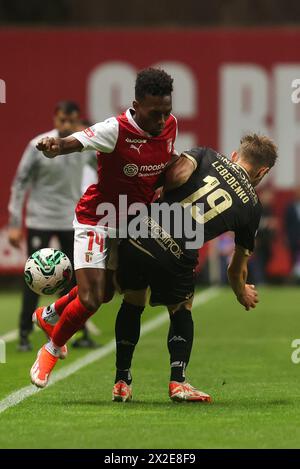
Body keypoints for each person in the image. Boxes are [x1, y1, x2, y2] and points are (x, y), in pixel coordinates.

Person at [29, 68, 178, 388]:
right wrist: (55, 145)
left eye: (167, 111)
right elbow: (76, 141)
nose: (162, 120)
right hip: (96, 221)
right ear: (136, 105)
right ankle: (51, 349)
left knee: (108, 292)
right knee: (92, 299)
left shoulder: (170, 126)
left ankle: (50, 313)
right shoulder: (116, 129)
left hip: (130, 225)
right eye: (155, 113)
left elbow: (165, 162)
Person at [114, 134, 278, 402]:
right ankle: (178, 382)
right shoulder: (252, 208)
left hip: (141, 230)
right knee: (182, 307)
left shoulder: (207, 154)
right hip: (176, 251)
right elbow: (235, 270)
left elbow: (175, 175)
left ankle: (121, 380)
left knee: (133, 301)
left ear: (236, 156)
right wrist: (241, 292)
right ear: (262, 172)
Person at [8, 101, 97, 351]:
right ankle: (24, 333)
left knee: (74, 279)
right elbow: (20, 182)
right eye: (62, 120)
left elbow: (103, 168)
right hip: (40, 219)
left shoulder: (82, 146)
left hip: (70, 220)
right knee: (33, 277)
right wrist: (15, 223)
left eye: (71, 121)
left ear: (78, 121)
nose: (66, 125)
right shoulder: (38, 145)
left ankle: (75, 333)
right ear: (55, 119)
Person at [285, 186, 300, 282]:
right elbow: (287, 224)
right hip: (293, 238)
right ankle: (295, 280)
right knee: (293, 259)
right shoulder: (290, 207)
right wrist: (286, 237)